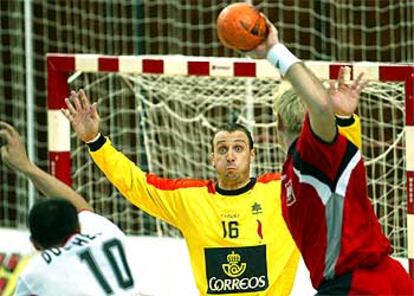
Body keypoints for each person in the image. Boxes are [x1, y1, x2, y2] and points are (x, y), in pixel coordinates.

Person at [62, 46, 364, 296]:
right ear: (211, 159)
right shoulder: (189, 199)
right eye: (222, 149)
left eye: (238, 148)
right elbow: (135, 184)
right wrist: (94, 140)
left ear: (252, 155)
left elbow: (338, 170)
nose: (230, 156)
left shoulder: (280, 191)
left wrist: (346, 120)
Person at [249, 18, 414, 295]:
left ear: (276, 121)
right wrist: (345, 119)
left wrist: (274, 50)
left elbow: (321, 107)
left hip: (359, 285)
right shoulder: (301, 167)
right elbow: (345, 185)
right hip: (382, 281)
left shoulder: (310, 152)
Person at [0, 121, 143, 296]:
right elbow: (82, 208)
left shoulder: (37, 273)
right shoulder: (107, 234)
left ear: (35, 244)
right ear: (79, 227)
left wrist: (24, 167)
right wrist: (27, 166)